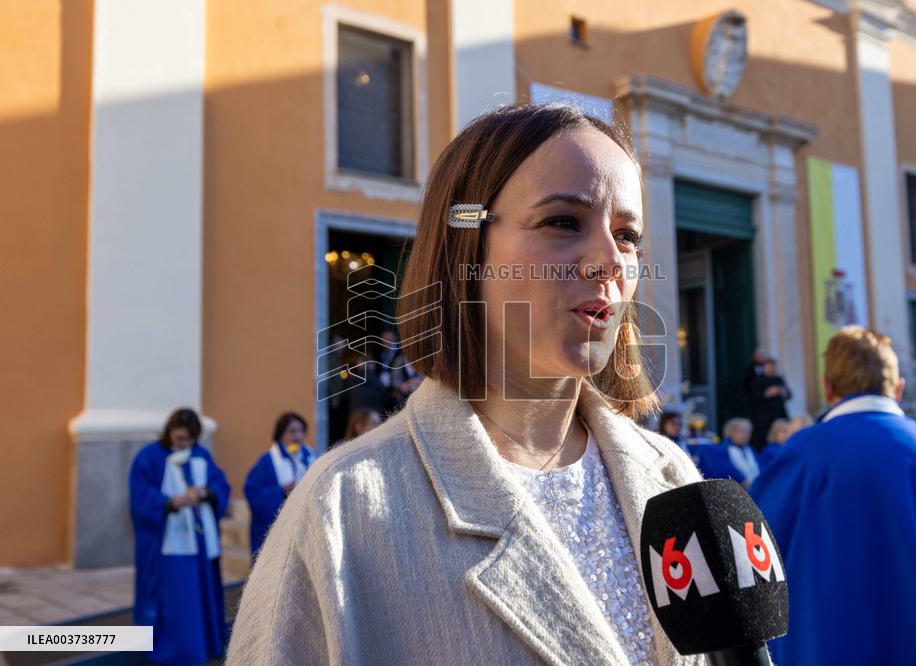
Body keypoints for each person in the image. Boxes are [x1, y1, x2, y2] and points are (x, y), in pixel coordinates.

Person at [227, 104, 704, 665]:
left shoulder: (673, 478)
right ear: (468, 249)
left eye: (628, 235)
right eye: (562, 221)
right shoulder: (343, 511)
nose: (609, 260)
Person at [750, 326, 916, 666]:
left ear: (827, 386)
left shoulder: (804, 453)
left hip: (829, 648)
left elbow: (755, 557)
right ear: (899, 388)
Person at [129, 408, 231, 666]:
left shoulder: (200, 455)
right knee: (174, 599)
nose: (183, 443)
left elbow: (221, 484)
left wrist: (206, 492)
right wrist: (169, 503)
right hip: (167, 546)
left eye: (187, 439)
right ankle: (174, 650)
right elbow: (139, 495)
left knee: (198, 596)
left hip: (197, 545)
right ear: (169, 432)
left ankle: (205, 643)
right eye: (178, 437)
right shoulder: (149, 457)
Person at [243, 412, 317, 558]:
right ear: (280, 435)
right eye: (292, 431)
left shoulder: (310, 456)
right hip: (278, 530)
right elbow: (253, 492)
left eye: (301, 431)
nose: (298, 436)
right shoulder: (267, 462)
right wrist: (281, 491)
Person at [750, 357, 791, 451]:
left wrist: (783, 392)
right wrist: (768, 393)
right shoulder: (758, 380)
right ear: (764, 367)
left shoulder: (778, 379)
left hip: (779, 413)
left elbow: (789, 395)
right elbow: (754, 397)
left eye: (773, 367)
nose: (772, 369)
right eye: (769, 367)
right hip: (765, 416)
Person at [742, 349, 767, 417]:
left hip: (768, 403)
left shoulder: (768, 368)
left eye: (763, 356)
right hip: (755, 400)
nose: (761, 358)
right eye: (759, 356)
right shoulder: (750, 369)